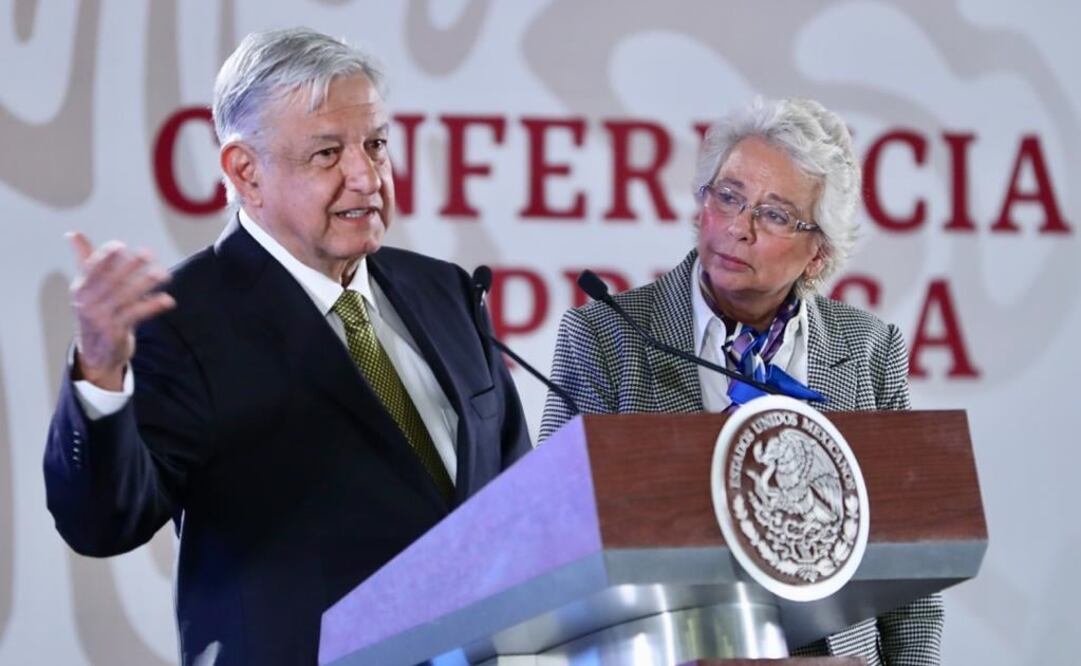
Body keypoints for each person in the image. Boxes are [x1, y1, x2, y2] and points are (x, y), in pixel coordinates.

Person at [44, 27, 531, 665]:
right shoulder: (183, 320)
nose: (366, 176)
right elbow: (102, 523)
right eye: (327, 154)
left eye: (376, 145)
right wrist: (101, 372)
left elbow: (519, 496)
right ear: (246, 171)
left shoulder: (443, 290)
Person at [540, 97, 943, 665]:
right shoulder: (606, 338)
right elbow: (552, 548)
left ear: (818, 255)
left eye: (774, 214)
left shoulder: (870, 350)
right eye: (728, 197)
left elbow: (911, 572)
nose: (738, 228)